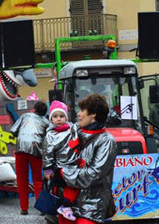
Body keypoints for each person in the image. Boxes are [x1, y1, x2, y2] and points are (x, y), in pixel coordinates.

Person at [57, 94, 117, 224]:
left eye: (82, 110)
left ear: (93, 114)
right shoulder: (74, 133)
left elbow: (94, 174)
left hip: (92, 206)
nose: (78, 114)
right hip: (68, 204)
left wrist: (63, 174)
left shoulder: (106, 141)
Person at [42, 100, 81, 221]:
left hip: (75, 165)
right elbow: (47, 154)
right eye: (55, 116)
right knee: (61, 190)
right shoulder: (50, 135)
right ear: (51, 119)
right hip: (59, 168)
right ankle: (64, 207)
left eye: (61, 116)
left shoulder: (72, 129)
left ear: (66, 117)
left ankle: (70, 207)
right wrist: (48, 170)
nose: (58, 119)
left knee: (75, 188)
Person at [10, 100, 48, 215]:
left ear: (34, 109)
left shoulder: (25, 115)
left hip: (21, 148)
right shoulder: (46, 122)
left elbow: (13, 131)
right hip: (36, 150)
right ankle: (41, 208)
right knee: (37, 180)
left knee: (22, 179)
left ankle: (24, 208)